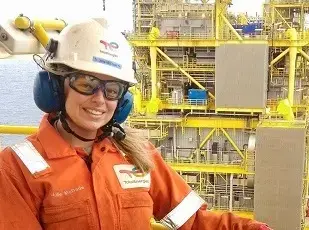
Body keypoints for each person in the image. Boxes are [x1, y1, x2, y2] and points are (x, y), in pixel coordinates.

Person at [0, 18, 272, 230]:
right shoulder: (15, 169)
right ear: (56, 87)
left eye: (112, 90)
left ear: (122, 101)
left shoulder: (137, 154)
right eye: (86, 84)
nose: (99, 100)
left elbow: (193, 221)